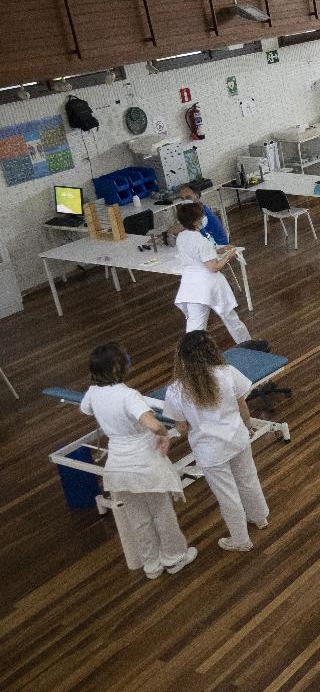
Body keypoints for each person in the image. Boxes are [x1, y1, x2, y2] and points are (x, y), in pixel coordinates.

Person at [79, 342, 197, 579]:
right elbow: (152, 424)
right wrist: (163, 434)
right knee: (162, 513)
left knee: (138, 519)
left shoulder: (92, 392)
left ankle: (151, 565)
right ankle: (174, 558)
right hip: (145, 465)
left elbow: (86, 409)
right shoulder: (129, 396)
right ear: (119, 367)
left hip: (118, 467)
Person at [163, 330, 269, 553]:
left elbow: (181, 427)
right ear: (211, 349)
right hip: (237, 438)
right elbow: (242, 406)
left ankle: (240, 539)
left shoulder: (176, 390)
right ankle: (260, 517)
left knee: (227, 495)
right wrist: (248, 427)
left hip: (210, 451)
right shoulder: (227, 372)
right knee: (248, 479)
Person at [173, 202, 250, 345]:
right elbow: (214, 267)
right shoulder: (201, 241)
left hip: (190, 286)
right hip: (209, 285)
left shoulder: (181, 237)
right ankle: (247, 344)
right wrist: (228, 255)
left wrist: (218, 250)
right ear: (197, 220)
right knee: (230, 318)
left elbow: (199, 254)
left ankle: (190, 356)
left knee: (194, 328)